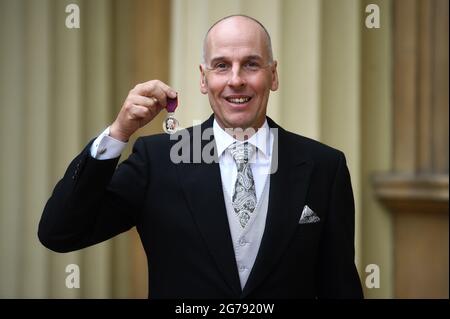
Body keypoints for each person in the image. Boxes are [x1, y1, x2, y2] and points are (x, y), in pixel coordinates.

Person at [38, 15, 363, 298]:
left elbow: (340, 286)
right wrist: (118, 133)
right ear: (203, 78)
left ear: (273, 75)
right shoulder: (157, 162)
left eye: (251, 64)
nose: (236, 79)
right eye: (222, 65)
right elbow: (61, 232)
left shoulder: (325, 167)